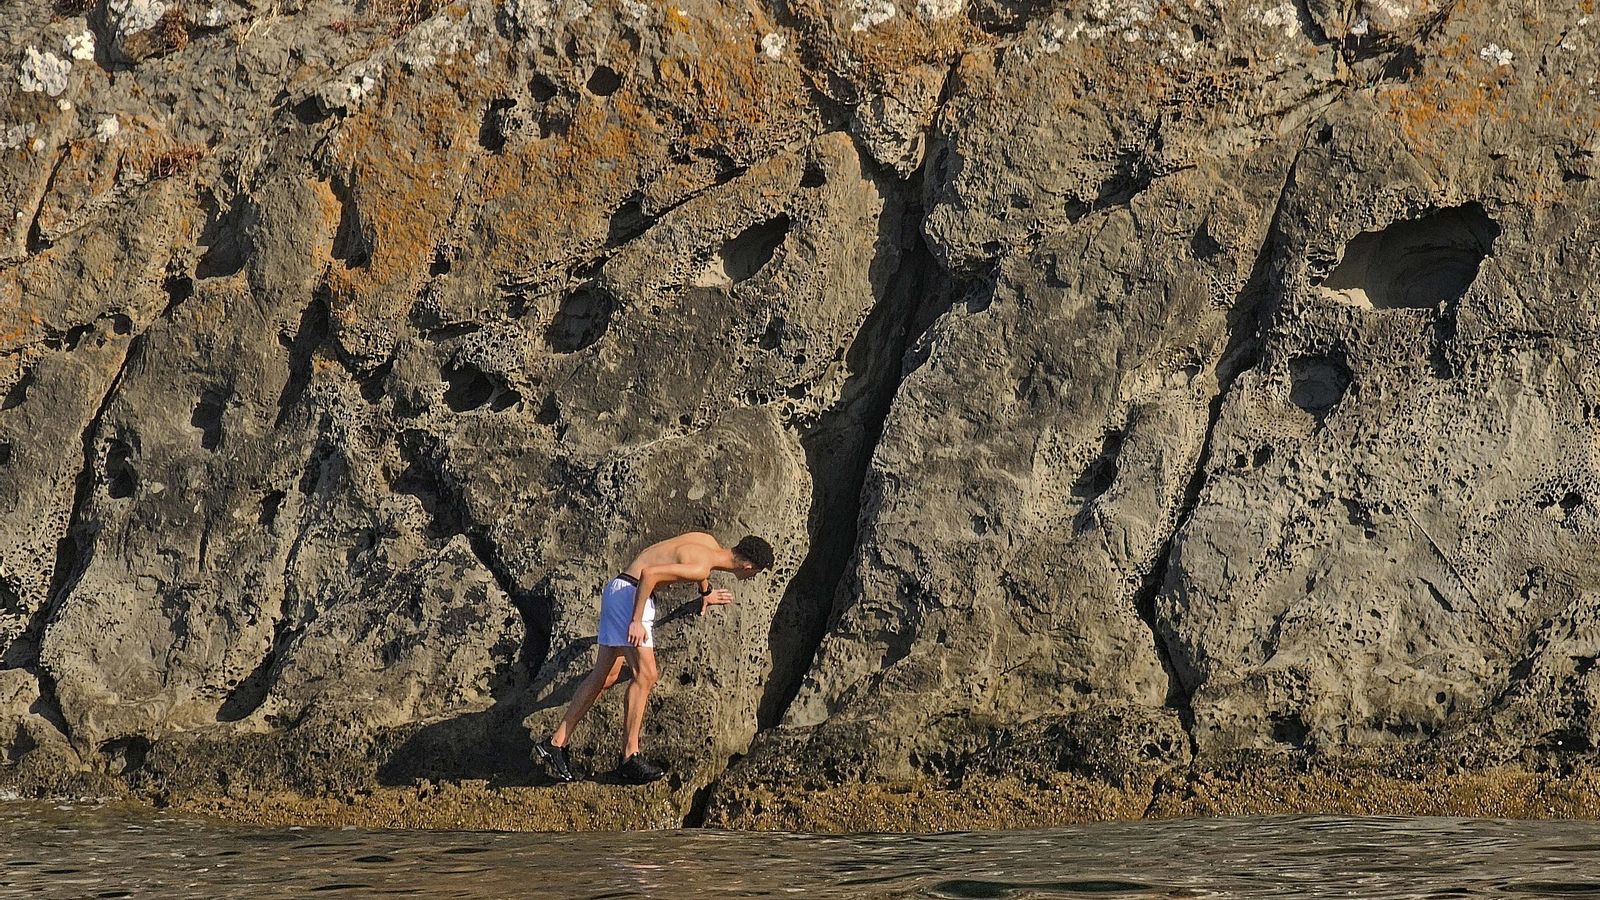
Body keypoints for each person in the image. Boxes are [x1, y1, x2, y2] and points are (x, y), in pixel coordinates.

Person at [534, 532, 774, 785]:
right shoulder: (701, 566)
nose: (752, 577)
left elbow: (697, 569)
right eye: (755, 573)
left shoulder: (708, 543)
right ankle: (629, 757)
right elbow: (650, 574)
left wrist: (706, 593)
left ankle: (556, 744)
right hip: (632, 597)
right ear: (748, 567)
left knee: (605, 676)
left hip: (619, 590)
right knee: (646, 675)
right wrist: (636, 621)